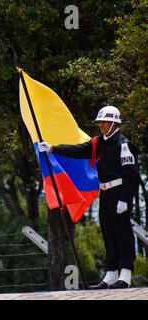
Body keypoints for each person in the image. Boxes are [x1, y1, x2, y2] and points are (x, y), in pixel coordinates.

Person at [39, 106, 138, 289]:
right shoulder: (97, 143)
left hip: (119, 193)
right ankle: (111, 274)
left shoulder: (123, 144)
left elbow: (131, 175)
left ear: (114, 123)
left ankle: (125, 273)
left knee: (122, 234)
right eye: (99, 122)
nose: (100, 125)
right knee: (108, 232)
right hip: (106, 193)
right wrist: (53, 148)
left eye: (104, 122)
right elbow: (77, 150)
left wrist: (124, 199)